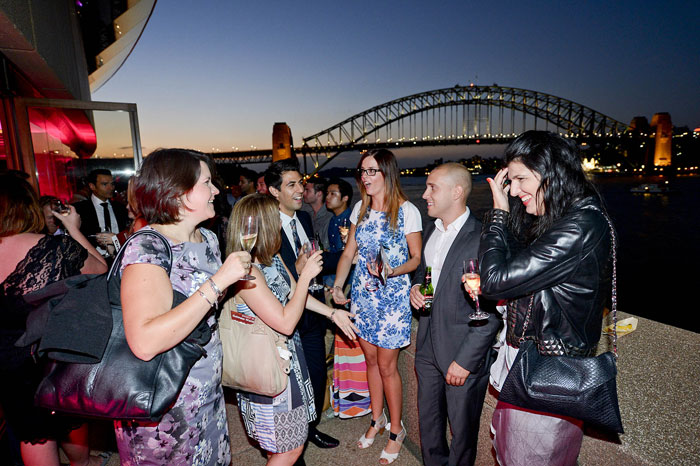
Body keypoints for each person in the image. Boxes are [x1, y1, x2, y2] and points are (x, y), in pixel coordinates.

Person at [478, 131, 615, 466]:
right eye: (510, 181)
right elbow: (517, 270)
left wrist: (498, 212)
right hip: (534, 367)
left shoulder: (578, 227)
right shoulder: (571, 218)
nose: (514, 191)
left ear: (553, 173)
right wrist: (511, 213)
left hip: (549, 374)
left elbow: (494, 281)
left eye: (522, 179)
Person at [114, 149, 251, 465]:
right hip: (165, 402)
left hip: (206, 391)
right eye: (207, 183)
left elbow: (205, 309)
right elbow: (145, 342)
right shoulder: (147, 246)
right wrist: (217, 283)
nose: (216, 190)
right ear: (178, 193)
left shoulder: (206, 237)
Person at [226, 194, 358, 465]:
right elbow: (286, 321)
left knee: (290, 443)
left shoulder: (271, 257)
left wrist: (332, 313)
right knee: (288, 448)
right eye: (274, 219)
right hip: (267, 362)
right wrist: (307, 275)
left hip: (288, 359)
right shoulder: (246, 271)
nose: (279, 224)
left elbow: (292, 294)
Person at [0, 173, 107, 466]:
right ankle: (83, 463)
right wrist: (72, 228)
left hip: (6, 360)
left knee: (31, 431)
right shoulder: (49, 247)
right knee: (65, 414)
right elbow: (99, 269)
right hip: (45, 352)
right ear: (27, 208)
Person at [332, 149, 422, 464]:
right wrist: (338, 285)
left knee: (387, 366)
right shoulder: (360, 207)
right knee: (369, 360)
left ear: (387, 172)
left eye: (372, 171)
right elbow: (347, 253)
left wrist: (392, 270)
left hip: (393, 297)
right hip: (363, 295)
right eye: (362, 172)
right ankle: (377, 418)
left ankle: (397, 429)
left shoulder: (407, 210)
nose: (365, 178)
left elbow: (416, 258)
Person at [409, 163, 501, 466]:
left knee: (462, 436)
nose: (424, 195)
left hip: (462, 354)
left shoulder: (484, 238)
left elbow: (492, 311)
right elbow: (428, 279)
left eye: (432, 187)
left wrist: (466, 361)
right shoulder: (431, 232)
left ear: (457, 192)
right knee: (430, 428)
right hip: (426, 349)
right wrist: (417, 291)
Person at [264, 158, 341, 456]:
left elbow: (315, 262)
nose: (301, 190)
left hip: (312, 310)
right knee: (291, 384)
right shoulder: (267, 227)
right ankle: (291, 444)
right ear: (273, 191)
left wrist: (349, 255)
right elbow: (274, 279)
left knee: (317, 375)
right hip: (284, 316)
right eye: (292, 185)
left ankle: (310, 429)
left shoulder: (305, 219)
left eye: (302, 183)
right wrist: (298, 272)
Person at [325, 178, 370, 419]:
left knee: (352, 346)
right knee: (344, 345)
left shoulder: (350, 220)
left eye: (332, 192)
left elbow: (349, 256)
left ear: (345, 198)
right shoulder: (335, 221)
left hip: (352, 288)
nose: (326, 196)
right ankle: (347, 397)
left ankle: (357, 399)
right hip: (340, 286)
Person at [73, 169, 128, 257]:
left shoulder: (121, 208)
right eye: (105, 184)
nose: (111, 188)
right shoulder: (79, 209)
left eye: (112, 184)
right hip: (93, 259)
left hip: (120, 257)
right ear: (92, 186)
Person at [301, 176, 332, 250]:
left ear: (319, 194)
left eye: (307, 190)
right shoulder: (308, 214)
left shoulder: (328, 218)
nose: (303, 193)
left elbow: (326, 247)